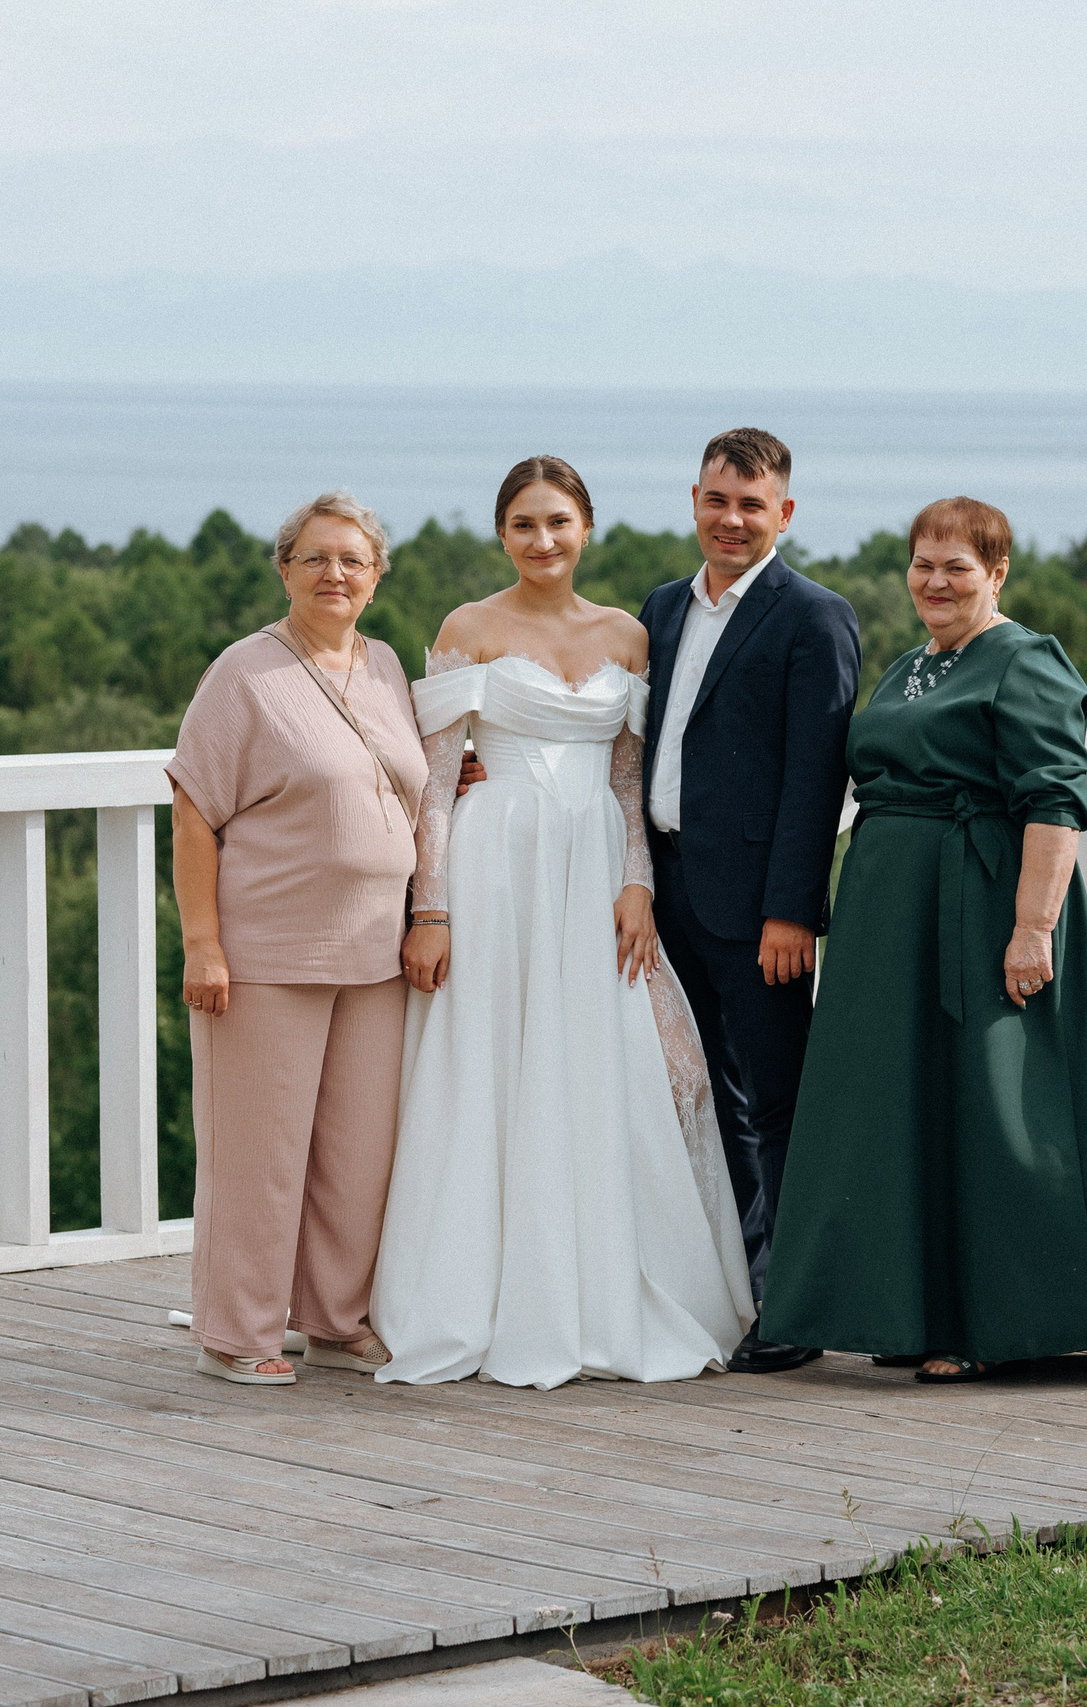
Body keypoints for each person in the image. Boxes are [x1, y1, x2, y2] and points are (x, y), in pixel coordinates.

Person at [757, 496, 1087, 1382]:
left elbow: (1054, 802)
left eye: (959, 566)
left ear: (997, 572)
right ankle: (907, 1311)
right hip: (890, 925)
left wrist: (1034, 926)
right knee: (899, 1111)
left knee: (990, 1108)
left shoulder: (1025, 660)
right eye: (923, 563)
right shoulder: (909, 665)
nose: (936, 581)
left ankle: (986, 1325)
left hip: (982, 909)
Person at [369, 455, 754, 1388]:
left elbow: (628, 780)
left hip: (594, 877)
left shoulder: (628, 635)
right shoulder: (468, 628)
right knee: (495, 1060)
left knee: (605, 1060)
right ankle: (483, 1289)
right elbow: (433, 788)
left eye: (558, 522)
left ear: (587, 528)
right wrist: (434, 907)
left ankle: (607, 1285)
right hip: (497, 869)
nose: (543, 541)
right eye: (524, 524)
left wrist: (637, 885)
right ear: (501, 534)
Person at [167, 491, 427, 1386]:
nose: (335, 574)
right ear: (284, 569)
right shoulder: (246, 673)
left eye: (352, 559)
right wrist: (203, 941)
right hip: (267, 952)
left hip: (375, 954)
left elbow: (415, 781)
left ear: (377, 575)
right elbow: (195, 807)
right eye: (315, 558)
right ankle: (236, 1333)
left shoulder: (387, 666)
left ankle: (334, 1320)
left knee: (356, 1155)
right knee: (258, 1153)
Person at [637, 428, 861, 1375]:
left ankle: (794, 1300)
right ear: (694, 500)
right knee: (696, 1095)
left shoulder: (814, 617)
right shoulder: (659, 608)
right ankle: (726, 1281)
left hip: (759, 909)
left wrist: (792, 911)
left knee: (776, 1104)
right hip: (666, 888)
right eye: (718, 501)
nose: (732, 520)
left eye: (752, 505)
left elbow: (818, 779)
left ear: (784, 513)